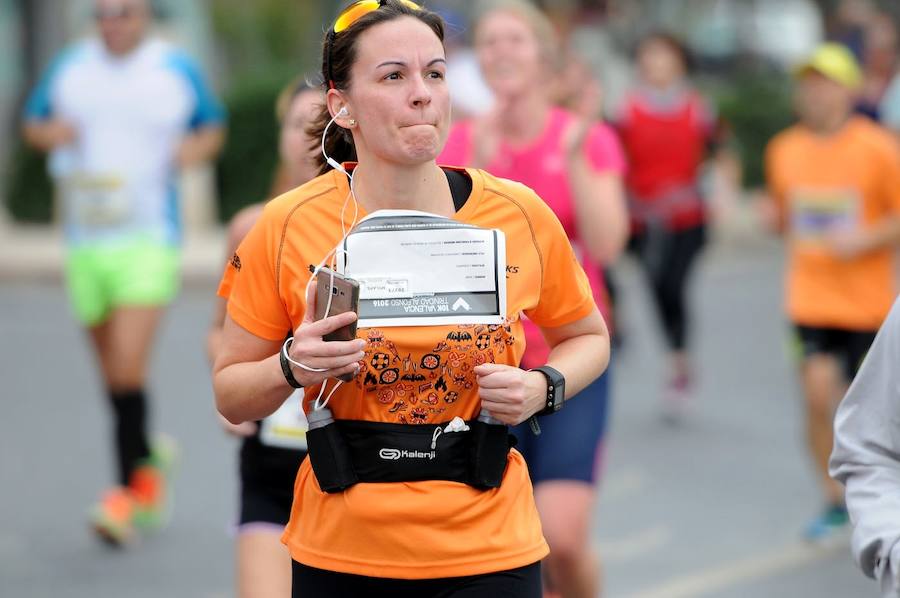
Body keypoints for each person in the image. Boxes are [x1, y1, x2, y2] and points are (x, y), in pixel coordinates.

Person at [211, 1, 610, 596]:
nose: (422, 94)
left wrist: (541, 385)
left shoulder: (517, 213)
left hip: (491, 545)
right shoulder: (286, 226)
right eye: (393, 76)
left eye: (436, 73)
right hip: (344, 551)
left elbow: (588, 337)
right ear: (341, 105)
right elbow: (231, 394)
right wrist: (293, 365)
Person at [437, 3, 627, 596]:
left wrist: (571, 156)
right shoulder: (459, 142)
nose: (500, 52)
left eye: (515, 39)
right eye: (489, 42)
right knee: (499, 554)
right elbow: (444, 256)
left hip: (566, 358)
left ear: (545, 56)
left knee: (562, 543)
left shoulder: (585, 138)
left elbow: (610, 243)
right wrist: (483, 165)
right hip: (482, 367)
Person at [21, 0, 225, 545]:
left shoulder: (173, 67)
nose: (113, 23)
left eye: (125, 13)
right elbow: (33, 124)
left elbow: (212, 127)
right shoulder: (70, 66)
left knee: (129, 368)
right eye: (104, 14)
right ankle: (148, 458)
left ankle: (125, 495)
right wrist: (52, 135)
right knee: (112, 376)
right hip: (86, 242)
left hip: (148, 239)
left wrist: (191, 150)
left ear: (145, 17)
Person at [763, 42, 900, 543]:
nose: (815, 93)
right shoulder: (784, 149)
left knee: (876, 411)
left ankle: (880, 491)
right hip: (809, 299)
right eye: (807, 84)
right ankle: (832, 498)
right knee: (817, 396)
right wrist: (770, 219)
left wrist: (865, 238)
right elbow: (782, 218)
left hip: (868, 304)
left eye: (826, 83)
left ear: (849, 89)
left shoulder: (879, 148)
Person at [207, 79, 321, 598]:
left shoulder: (373, 228)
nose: (310, 137)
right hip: (273, 460)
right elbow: (220, 333)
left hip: (358, 466)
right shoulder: (251, 227)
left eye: (322, 124)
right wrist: (230, 390)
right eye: (298, 125)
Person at [615, 31, 716, 419]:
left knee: (674, 283)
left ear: (679, 62)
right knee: (655, 285)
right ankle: (675, 357)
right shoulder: (627, 110)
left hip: (688, 217)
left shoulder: (697, 107)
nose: (657, 64)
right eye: (650, 56)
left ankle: (679, 364)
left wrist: (718, 189)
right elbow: (612, 157)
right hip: (643, 219)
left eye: (665, 56)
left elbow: (717, 152)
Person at [830, 295, 900, 597]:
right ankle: (829, 503)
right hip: (817, 306)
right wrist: (892, 542)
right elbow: (869, 450)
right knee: (817, 391)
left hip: (862, 305)